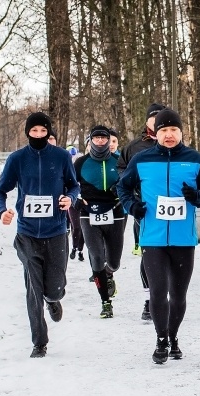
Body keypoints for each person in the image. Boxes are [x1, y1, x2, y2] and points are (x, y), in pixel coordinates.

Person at [117, 108, 200, 363]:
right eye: (164, 130)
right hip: (153, 238)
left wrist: (197, 197)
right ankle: (161, 340)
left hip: (183, 239)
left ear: (181, 132)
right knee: (158, 292)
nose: (169, 135)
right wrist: (132, 206)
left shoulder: (195, 159)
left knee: (178, 296)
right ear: (155, 133)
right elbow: (123, 187)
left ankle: (173, 336)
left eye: (173, 130)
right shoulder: (142, 160)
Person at [0, 111, 79, 358]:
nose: (39, 135)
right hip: (27, 233)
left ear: (48, 132)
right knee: (33, 289)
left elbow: (73, 186)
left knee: (54, 288)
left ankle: (53, 299)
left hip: (56, 231)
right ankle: (39, 342)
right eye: (34, 131)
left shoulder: (61, 157)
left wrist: (69, 199)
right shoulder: (17, 159)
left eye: (43, 131)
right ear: (27, 132)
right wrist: (2, 211)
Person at [118, 103, 165, 320]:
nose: (157, 122)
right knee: (149, 253)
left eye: (160, 117)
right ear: (147, 121)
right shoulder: (134, 147)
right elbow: (121, 170)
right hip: (145, 207)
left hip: (172, 208)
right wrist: (133, 194)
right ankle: (149, 300)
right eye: (153, 118)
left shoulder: (175, 143)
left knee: (172, 254)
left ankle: (166, 295)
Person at [74, 125, 126, 318]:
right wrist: (76, 200)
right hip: (88, 213)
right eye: (96, 138)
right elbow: (68, 185)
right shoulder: (81, 163)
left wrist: (120, 189)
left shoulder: (119, 161)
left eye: (104, 138)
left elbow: (130, 182)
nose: (101, 141)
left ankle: (108, 273)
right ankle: (105, 302)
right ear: (90, 141)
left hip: (115, 212)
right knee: (96, 257)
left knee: (114, 262)